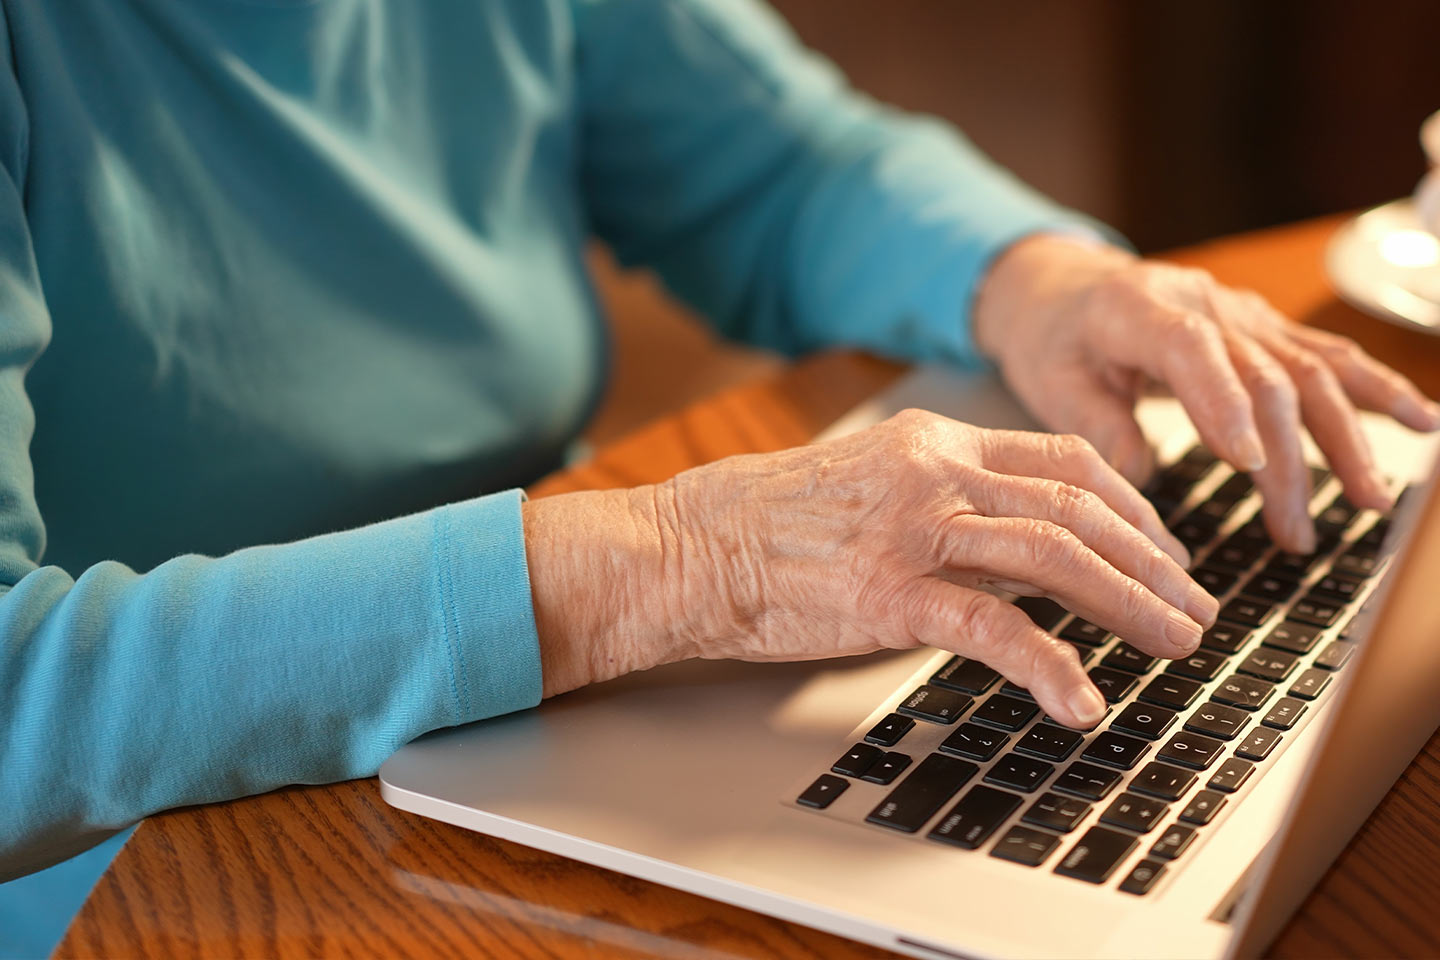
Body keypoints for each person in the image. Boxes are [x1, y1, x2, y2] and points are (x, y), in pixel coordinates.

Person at [1, 1, 1435, 954]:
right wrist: (685, 566)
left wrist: (1033, 282)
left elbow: (774, 164)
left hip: (529, 698)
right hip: (156, 851)